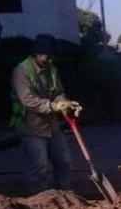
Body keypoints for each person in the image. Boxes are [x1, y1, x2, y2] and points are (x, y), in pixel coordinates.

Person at [10, 33, 82, 196]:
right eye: (47, 57)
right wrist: (53, 105)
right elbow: (28, 100)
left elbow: (58, 91)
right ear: (36, 54)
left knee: (64, 160)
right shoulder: (21, 71)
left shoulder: (52, 69)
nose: (50, 61)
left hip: (52, 126)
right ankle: (40, 200)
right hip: (31, 128)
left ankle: (65, 195)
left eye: (52, 57)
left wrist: (65, 103)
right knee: (39, 167)